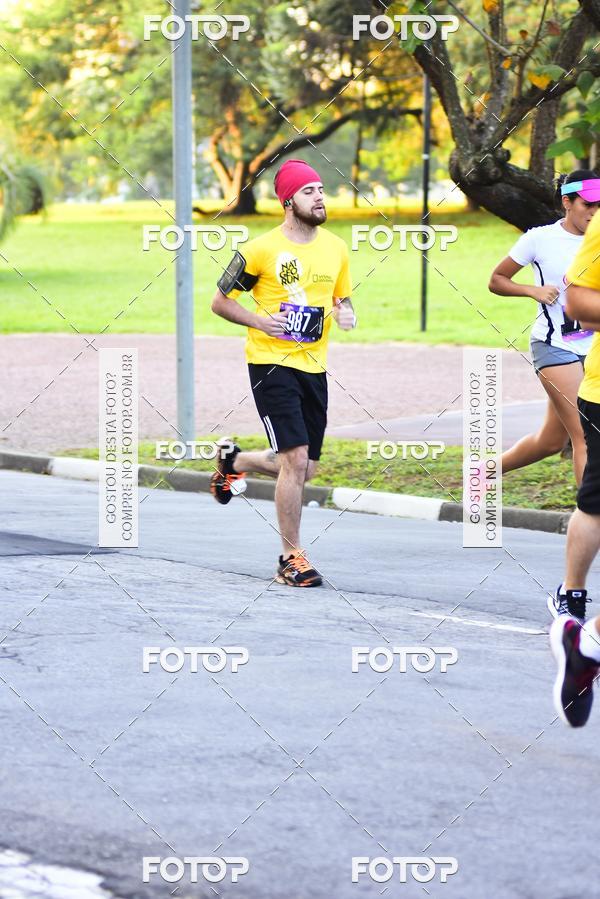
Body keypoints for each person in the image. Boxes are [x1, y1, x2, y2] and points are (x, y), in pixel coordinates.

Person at [209, 159, 356, 587]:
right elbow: (220, 302)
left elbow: (342, 299)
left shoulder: (336, 248)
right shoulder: (258, 250)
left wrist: (345, 314)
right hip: (270, 363)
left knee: (305, 468)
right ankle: (291, 558)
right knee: (294, 460)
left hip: (315, 365)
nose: (320, 196)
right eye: (309, 191)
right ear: (288, 201)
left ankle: (235, 461)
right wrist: (259, 321)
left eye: (321, 189)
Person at [489, 170, 600, 493]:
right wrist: (532, 291)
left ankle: (482, 472)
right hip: (554, 346)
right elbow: (497, 280)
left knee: (551, 441)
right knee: (586, 433)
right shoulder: (539, 239)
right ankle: (590, 517)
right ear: (567, 202)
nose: (594, 212)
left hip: (593, 349)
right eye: (588, 204)